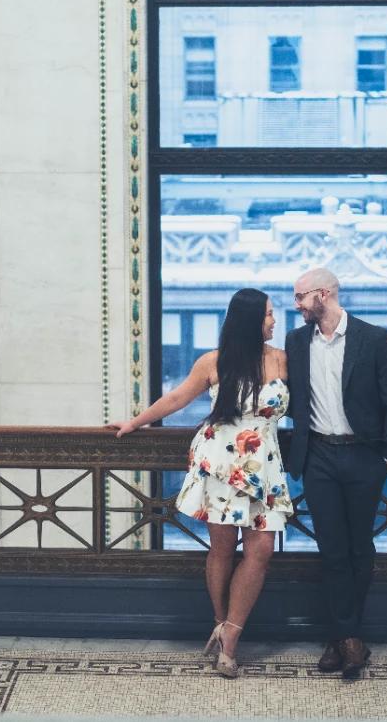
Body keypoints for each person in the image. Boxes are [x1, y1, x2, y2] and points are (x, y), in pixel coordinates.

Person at [108, 288, 292, 678]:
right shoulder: (214, 361)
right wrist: (134, 423)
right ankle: (219, 622)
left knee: (261, 551)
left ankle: (231, 634)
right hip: (221, 465)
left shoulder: (281, 358)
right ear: (249, 320)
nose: (274, 320)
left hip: (265, 468)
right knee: (222, 548)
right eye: (268, 314)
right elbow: (177, 398)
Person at [284, 266, 387, 679]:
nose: (297, 305)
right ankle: (349, 639)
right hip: (318, 456)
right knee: (332, 550)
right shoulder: (296, 341)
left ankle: (343, 637)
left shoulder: (374, 338)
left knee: (360, 549)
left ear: (323, 294)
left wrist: (386, 458)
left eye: (301, 296)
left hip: (364, 457)